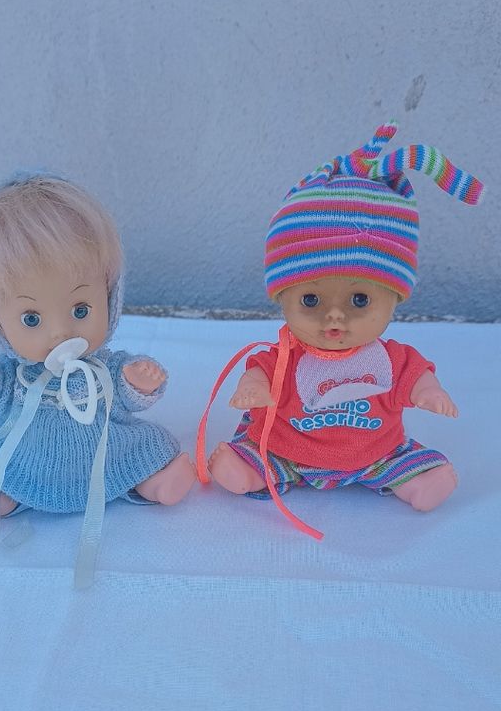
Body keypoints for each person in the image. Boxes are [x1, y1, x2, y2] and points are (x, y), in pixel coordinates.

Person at [201, 122, 483, 529]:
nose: (335, 316)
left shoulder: (391, 359)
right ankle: (254, 469)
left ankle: (416, 480)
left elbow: (415, 375)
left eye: (359, 300)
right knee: (258, 451)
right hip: (288, 448)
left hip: (376, 453)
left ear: (395, 298)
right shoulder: (287, 358)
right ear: (282, 298)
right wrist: (254, 388)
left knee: (406, 460)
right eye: (310, 300)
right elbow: (261, 368)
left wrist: (428, 392)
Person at [0, 174, 196, 529]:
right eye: (31, 318)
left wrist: (137, 381)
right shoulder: (16, 377)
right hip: (32, 455)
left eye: (80, 310)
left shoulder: (102, 370)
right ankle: (2, 499)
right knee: (7, 466)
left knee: (140, 452)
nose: (60, 331)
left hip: (106, 451)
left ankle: (150, 483)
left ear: (108, 295)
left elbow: (123, 398)